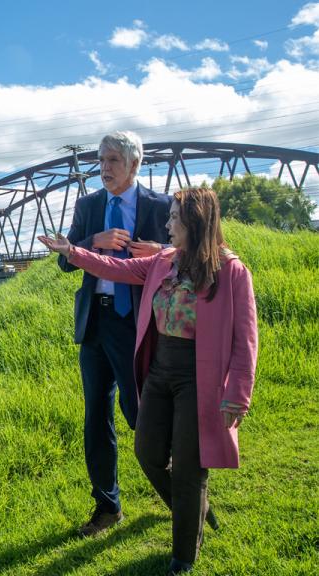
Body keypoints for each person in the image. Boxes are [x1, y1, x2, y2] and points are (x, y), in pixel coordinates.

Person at [39, 186, 258, 574]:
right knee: (148, 453)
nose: (168, 224)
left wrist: (236, 397)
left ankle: (183, 557)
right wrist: (73, 252)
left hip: (199, 377)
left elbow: (246, 340)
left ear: (196, 221)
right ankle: (195, 509)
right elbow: (117, 269)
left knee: (190, 467)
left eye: (174, 217)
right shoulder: (164, 261)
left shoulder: (231, 270)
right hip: (159, 371)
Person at [57, 130, 172, 537]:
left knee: (141, 413)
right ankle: (107, 507)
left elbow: (188, 258)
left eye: (112, 161)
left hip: (137, 323)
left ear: (134, 164)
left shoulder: (162, 205)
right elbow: (65, 262)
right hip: (95, 322)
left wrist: (161, 252)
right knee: (96, 417)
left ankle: (180, 494)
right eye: (101, 160)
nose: (104, 168)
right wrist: (93, 242)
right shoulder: (88, 205)